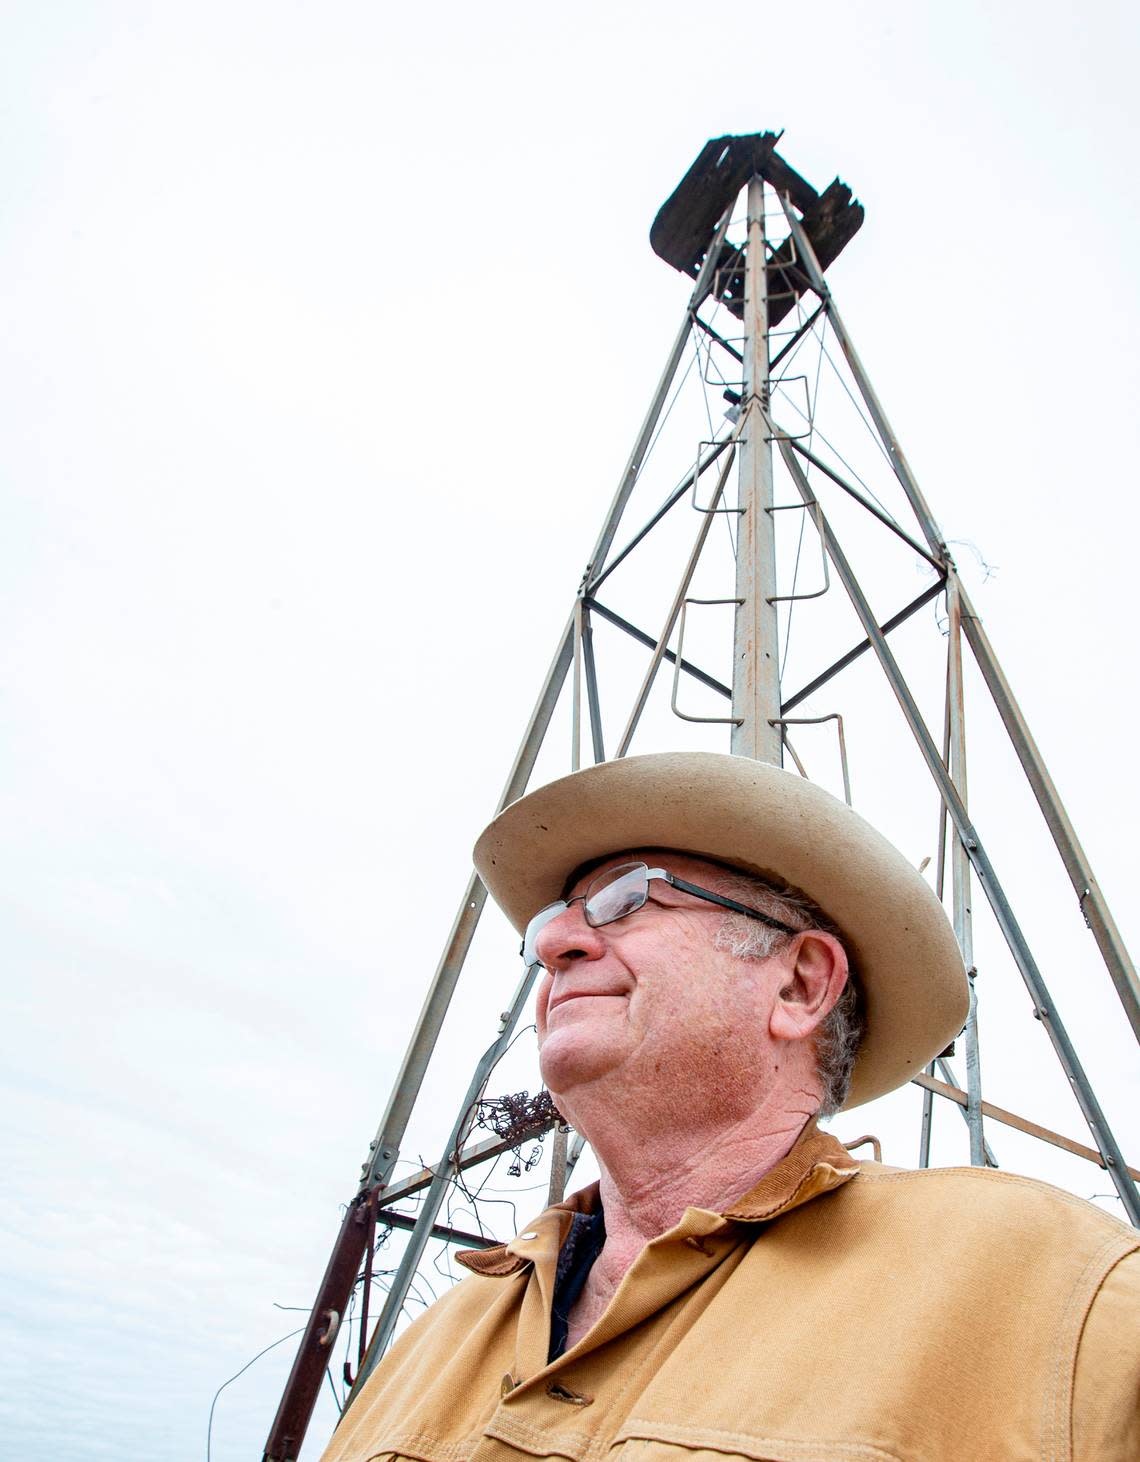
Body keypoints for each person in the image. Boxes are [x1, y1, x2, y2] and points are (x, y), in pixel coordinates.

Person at [323, 751, 1139, 1462]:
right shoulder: (436, 1339)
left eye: (627, 899)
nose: (551, 945)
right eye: (550, 921)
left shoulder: (1055, 1292)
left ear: (799, 984)